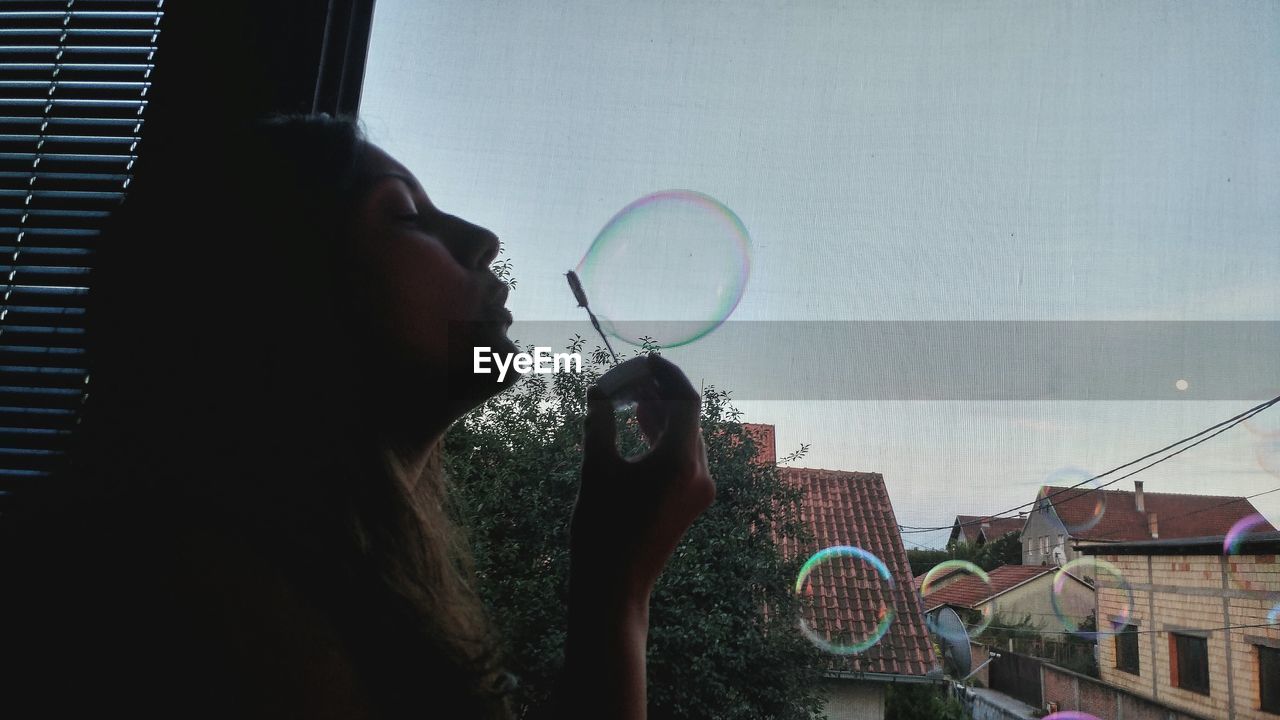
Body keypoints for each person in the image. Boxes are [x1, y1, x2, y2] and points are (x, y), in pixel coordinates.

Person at [0, 115, 714, 719]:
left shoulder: (242, 580)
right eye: (404, 214)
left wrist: (611, 579)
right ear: (271, 287)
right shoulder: (176, 610)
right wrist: (616, 594)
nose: (481, 238)